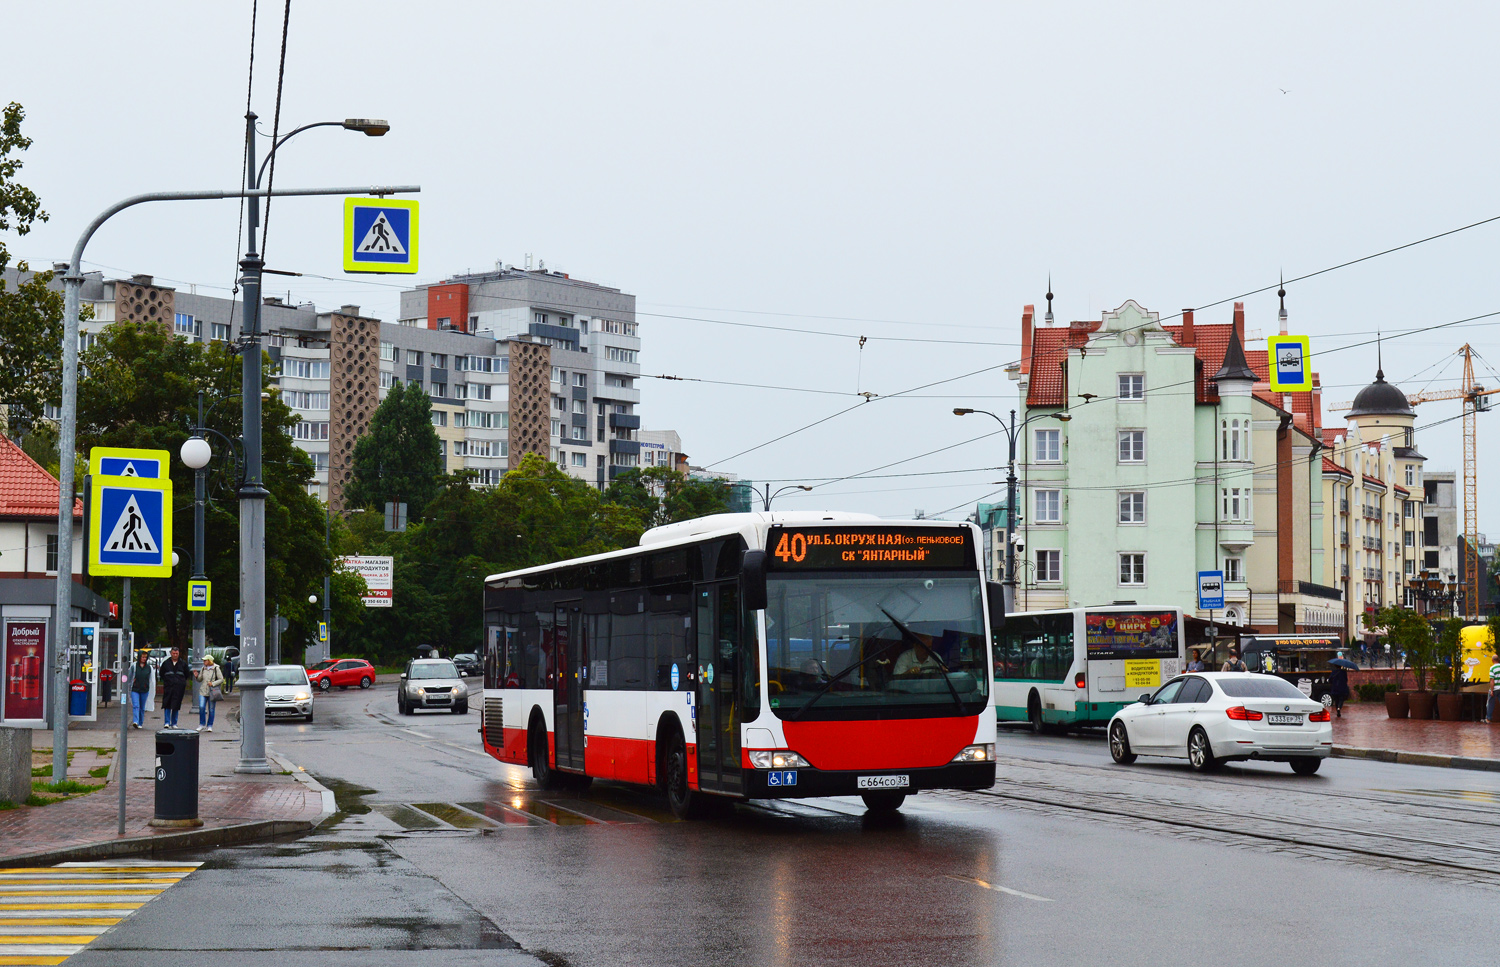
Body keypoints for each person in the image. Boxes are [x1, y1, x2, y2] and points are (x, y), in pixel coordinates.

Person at [157, 647, 191, 728]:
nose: (175, 655)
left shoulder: (183, 663)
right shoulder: (166, 663)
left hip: (179, 688)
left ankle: (174, 723)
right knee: (167, 704)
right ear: (171, 653)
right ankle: (167, 722)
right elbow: (162, 673)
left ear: (178, 654)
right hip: (168, 687)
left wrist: (181, 682)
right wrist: (167, 680)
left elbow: (187, 674)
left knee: (176, 705)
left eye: (176, 653)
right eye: (173, 653)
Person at [194, 655, 225, 732]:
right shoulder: (203, 668)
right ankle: (201, 724)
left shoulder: (216, 668)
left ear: (209, 661)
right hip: (203, 691)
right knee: (201, 707)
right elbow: (200, 679)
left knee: (211, 709)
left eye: (205, 660)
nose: (204, 662)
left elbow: (221, 679)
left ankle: (210, 725)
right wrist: (197, 676)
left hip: (212, 692)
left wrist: (213, 683)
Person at [128, 650, 155, 729]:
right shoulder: (134, 666)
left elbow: (151, 679)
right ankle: (135, 721)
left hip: (144, 689)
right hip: (135, 689)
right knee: (136, 705)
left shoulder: (149, 667)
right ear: (139, 657)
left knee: (142, 707)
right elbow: (130, 678)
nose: (144, 659)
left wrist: (149, 687)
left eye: (145, 657)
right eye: (142, 657)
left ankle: (140, 722)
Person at [1484, 658, 1499, 725]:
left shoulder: (1492, 668)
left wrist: (1492, 690)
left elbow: (1492, 680)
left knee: (1490, 704)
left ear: (1492, 660)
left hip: (1495, 688)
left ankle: (1488, 719)